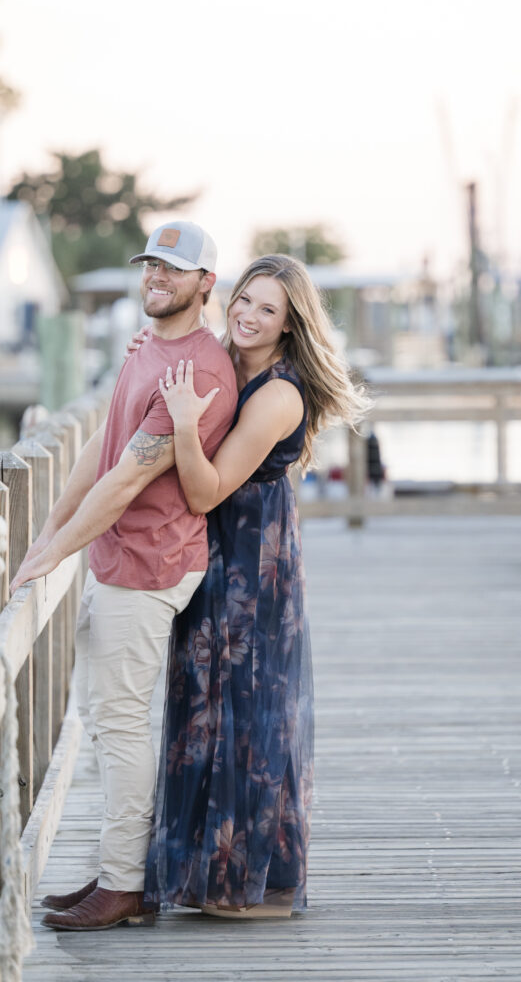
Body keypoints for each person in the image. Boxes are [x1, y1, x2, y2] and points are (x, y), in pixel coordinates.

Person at [9, 221, 238, 931]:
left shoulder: (196, 371)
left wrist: (53, 554)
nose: (154, 279)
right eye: (149, 267)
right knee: (108, 723)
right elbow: (100, 455)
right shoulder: (146, 350)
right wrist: (52, 528)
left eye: (171, 270)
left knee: (120, 722)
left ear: (205, 283)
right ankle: (117, 870)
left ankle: (124, 884)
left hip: (148, 565)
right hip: (118, 560)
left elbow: (129, 481)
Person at [139, 253, 371, 918]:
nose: (247, 315)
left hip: (251, 562)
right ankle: (202, 872)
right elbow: (169, 361)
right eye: (244, 300)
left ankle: (255, 882)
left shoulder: (276, 394)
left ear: (288, 325)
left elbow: (207, 485)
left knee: (247, 710)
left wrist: (183, 423)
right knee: (201, 704)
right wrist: (147, 352)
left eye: (266, 309)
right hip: (210, 553)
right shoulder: (221, 357)